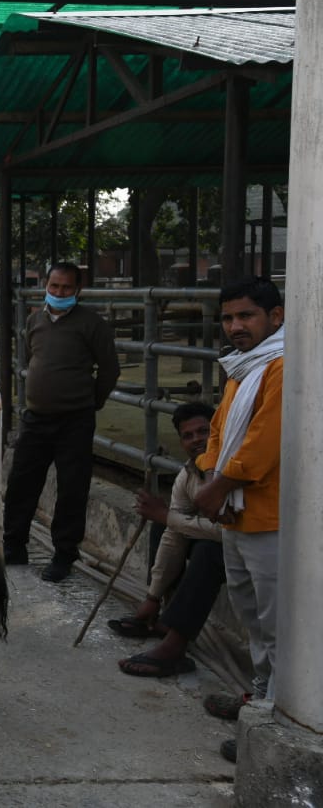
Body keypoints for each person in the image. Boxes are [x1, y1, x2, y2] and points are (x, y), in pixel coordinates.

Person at [193, 275, 284, 763]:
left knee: (275, 623)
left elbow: (264, 441)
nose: (236, 326)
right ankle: (260, 700)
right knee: (252, 616)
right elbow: (219, 429)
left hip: (268, 514)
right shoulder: (244, 368)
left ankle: (273, 723)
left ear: (276, 316)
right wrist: (210, 470)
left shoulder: (281, 365)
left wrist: (220, 483)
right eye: (228, 317)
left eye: (246, 315)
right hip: (236, 512)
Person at [2, 262, 120, 582]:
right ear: (45, 284)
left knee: (72, 488)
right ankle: (14, 546)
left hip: (75, 421)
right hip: (36, 418)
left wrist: (92, 401)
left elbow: (109, 369)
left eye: (66, 288)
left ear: (77, 291)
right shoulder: (35, 320)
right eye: (54, 286)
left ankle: (64, 554)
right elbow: (30, 357)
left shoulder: (91, 324)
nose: (59, 292)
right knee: (21, 483)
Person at [112, 402, 224, 679]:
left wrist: (166, 517)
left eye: (203, 432)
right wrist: (152, 596)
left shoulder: (229, 470)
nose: (197, 440)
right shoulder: (187, 475)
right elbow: (173, 532)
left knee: (209, 550)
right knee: (164, 530)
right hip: (215, 536)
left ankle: (175, 647)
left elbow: (229, 532)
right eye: (188, 436)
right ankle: (161, 617)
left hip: (251, 546)